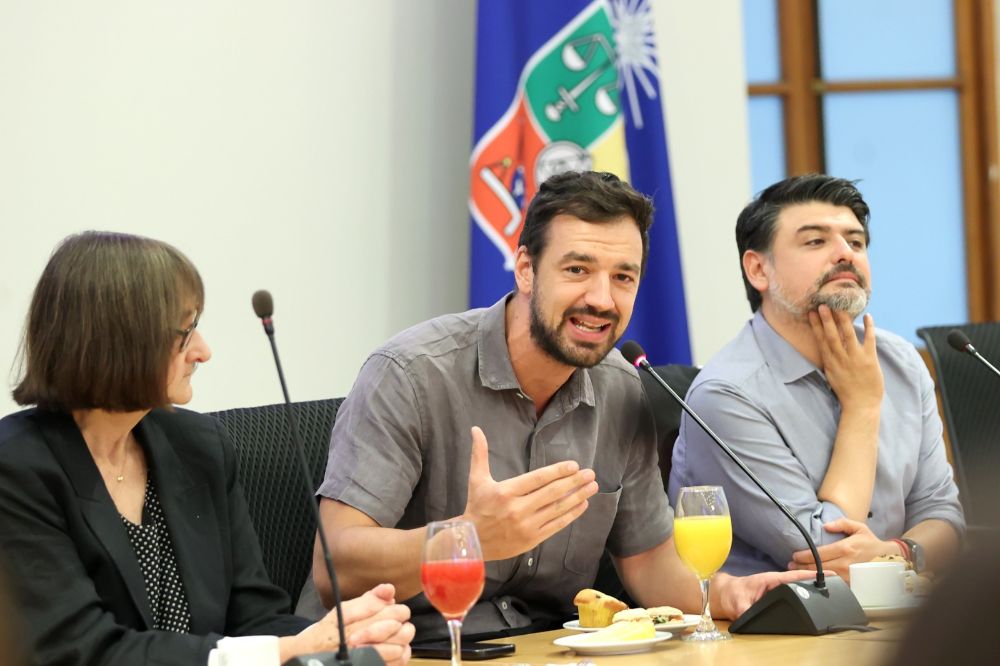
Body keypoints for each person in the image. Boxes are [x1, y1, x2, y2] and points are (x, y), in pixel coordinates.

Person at [309, 170, 814, 638]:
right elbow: (336, 567)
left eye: (623, 277)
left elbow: (648, 558)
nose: (601, 298)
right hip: (410, 647)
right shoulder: (411, 373)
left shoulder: (621, 387)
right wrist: (467, 537)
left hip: (547, 648)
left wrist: (728, 592)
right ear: (526, 269)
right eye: (577, 269)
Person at [0, 232, 414, 666]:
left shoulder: (198, 447)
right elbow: (80, 651)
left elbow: (256, 619)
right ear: (120, 340)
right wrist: (289, 650)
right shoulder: (19, 470)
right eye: (186, 331)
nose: (204, 351)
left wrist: (342, 640)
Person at [669, 174, 965, 580]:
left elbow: (944, 514)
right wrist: (862, 407)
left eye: (856, 241)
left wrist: (896, 552)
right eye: (816, 241)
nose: (845, 253)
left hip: (895, 620)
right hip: (774, 631)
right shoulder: (726, 395)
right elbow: (822, 552)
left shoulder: (901, 363)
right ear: (758, 269)